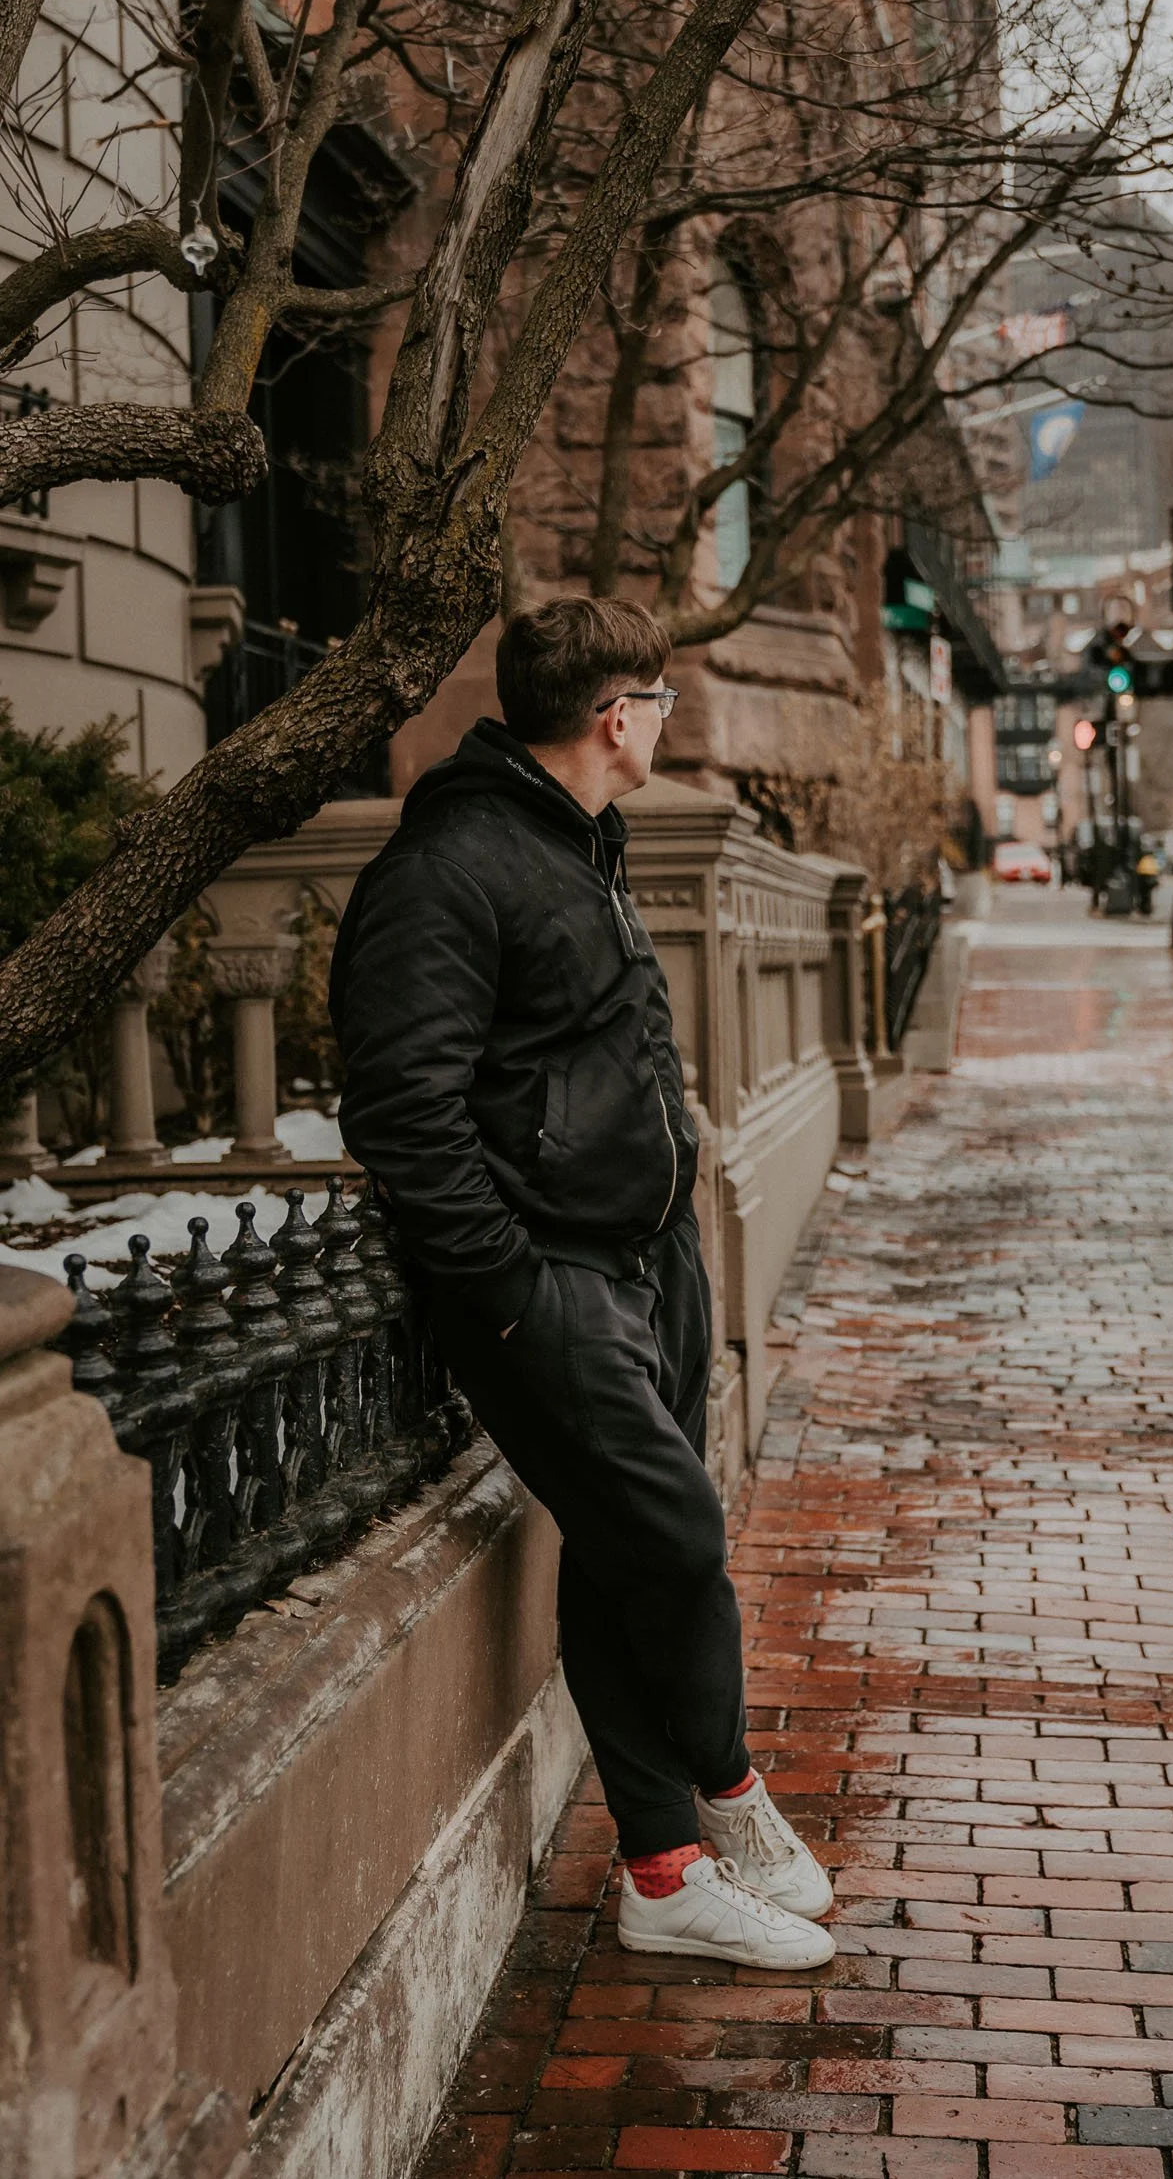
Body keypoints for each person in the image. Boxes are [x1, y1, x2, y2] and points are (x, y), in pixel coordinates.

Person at [329, 595, 834, 1970]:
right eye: (658, 705)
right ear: (618, 716)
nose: (660, 726)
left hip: (643, 1256)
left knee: (626, 1550)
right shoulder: (450, 867)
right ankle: (727, 1801)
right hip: (546, 1278)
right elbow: (400, 1110)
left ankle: (660, 1874)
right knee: (672, 1537)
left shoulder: (580, 842)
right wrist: (501, 1286)